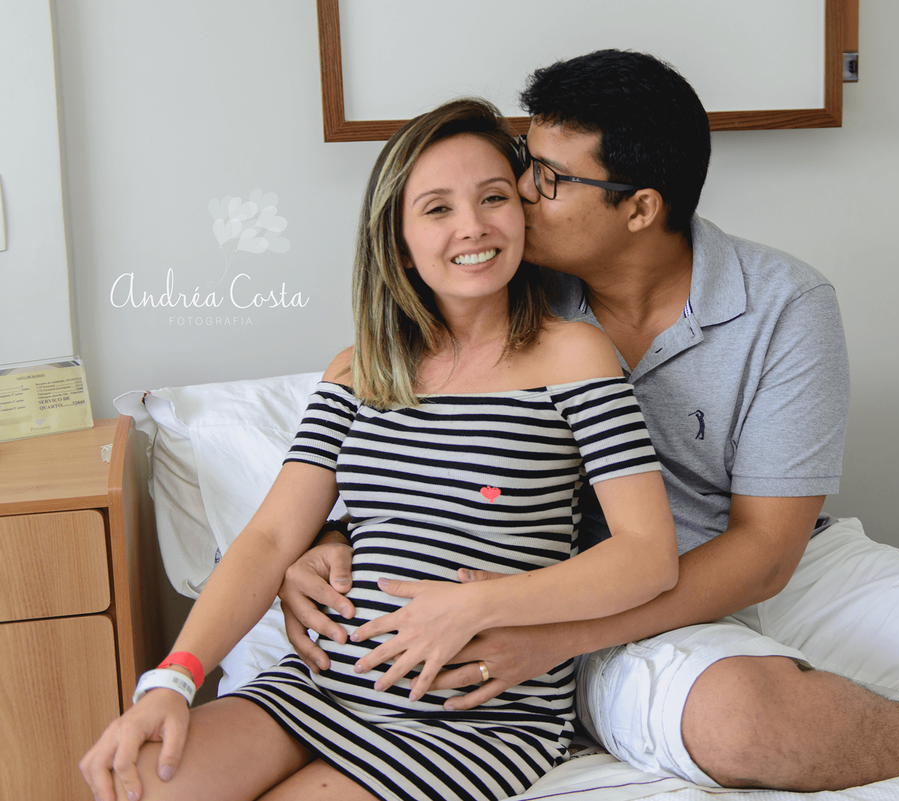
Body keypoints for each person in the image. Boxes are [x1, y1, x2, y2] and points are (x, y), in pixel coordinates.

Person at [280, 52, 899, 800]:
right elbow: (401, 422)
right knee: (750, 721)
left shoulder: (784, 302)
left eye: (547, 178)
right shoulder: (496, 276)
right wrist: (325, 533)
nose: (512, 192)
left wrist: (550, 641)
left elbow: (767, 553)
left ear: (639, 208)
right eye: (526, 158)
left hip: (767, 560)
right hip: (585, 588)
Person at [78, 98, 679, 801]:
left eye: (493, 197)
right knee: (139, 783)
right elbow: (272, 535)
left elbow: (648, 552)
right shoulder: (358, 369)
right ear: (395, 235)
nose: (473, 226)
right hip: (318, 690)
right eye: (436, 209)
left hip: (469, 717)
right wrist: (171, 680)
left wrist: (476, 608)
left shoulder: (574, 355)